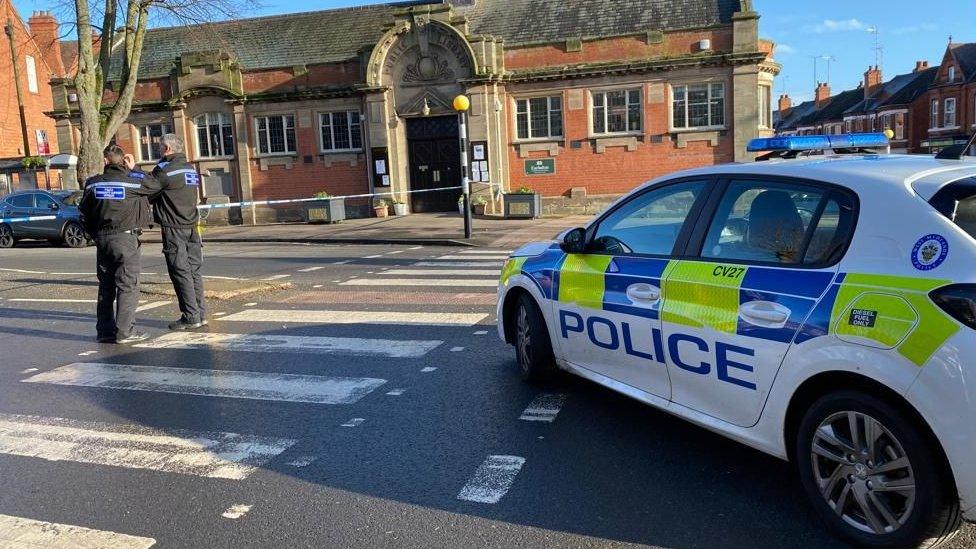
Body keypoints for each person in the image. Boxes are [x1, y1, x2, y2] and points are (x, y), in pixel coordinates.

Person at [79, 145, 162, 344]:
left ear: (105, 161)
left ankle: (105, 331)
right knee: (128, 285)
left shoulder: (92, 184)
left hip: (103, 240)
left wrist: (95, 235)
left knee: (106, 286)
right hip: (126, 238)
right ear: (123, 160)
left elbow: (84, 213)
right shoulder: (133, 181)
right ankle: (125, 332)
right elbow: (156, 185)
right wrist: (134, 169)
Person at [150, 134, 207, 331]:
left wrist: (132, 170)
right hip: (192, 225)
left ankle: (190, 316)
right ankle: (200, 313)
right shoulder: (190, 169)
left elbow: (147, 189)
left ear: (167, 149)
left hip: (173, 227)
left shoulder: (165, 170)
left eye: (160, 147)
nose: (158, 150)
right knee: (194, 271)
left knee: (180, 271)